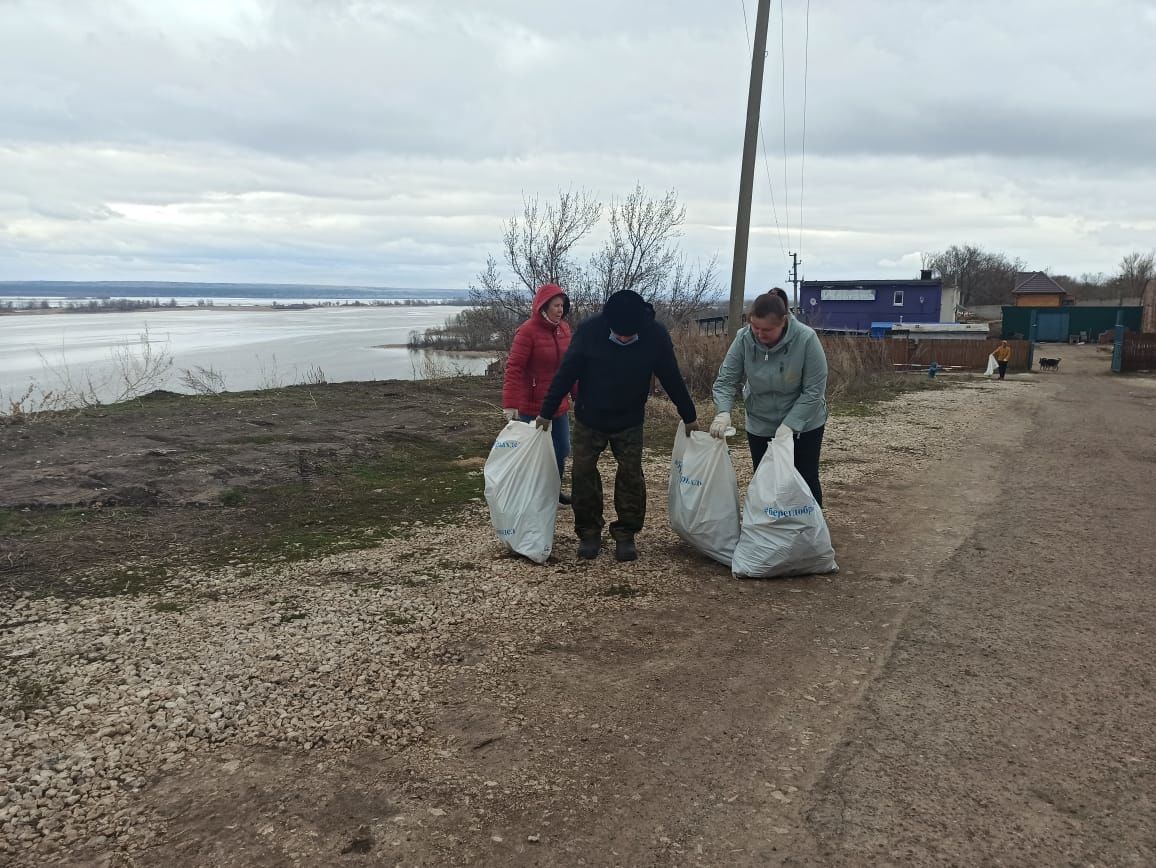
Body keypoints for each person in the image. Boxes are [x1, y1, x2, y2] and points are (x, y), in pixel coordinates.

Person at [536, 290, 699, 562]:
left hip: (629, 418)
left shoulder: (655, 336)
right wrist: (546, 412)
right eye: (619, 335)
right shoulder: (590, 331)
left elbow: (671, 376)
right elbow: (566, 374)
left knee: (631, 475)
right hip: (591, 416)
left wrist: (689, 415)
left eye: (629, 336)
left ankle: (626, 534)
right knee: (583, 473)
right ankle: (589, 532)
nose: (623, 339)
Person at [709, 292, 829, 506]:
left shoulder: (806, 339)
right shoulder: (744, 338)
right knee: (766, 479)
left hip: (805, 425)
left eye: (766, 330)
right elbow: (726, 380)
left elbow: (814, 390)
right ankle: (770, 531)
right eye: (755, 327)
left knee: (804, 479)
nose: (759, 334)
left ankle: (809, 534)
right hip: (760, 421)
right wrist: (723, 412)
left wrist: (790, 426)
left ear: (783, 322)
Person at [502, 283, 574, 504]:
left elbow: (571, 367)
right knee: (533, 454)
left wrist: (580, 397)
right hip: (532, 406)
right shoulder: (527, 331)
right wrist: (510, 403)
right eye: (556, 305)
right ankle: (531, 495)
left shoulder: (564, 330)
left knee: (561, 449)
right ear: (544, 305)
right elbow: (514, 367)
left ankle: (553, 491)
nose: (560, 310)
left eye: (562, 305)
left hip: (558, 404)